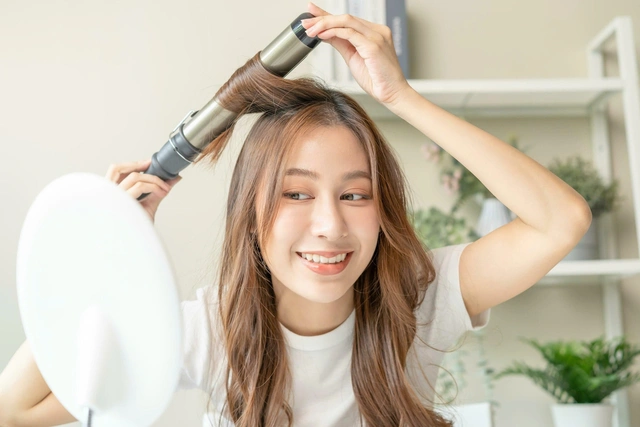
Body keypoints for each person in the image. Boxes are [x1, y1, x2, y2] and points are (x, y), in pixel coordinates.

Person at [0, 3, 592, 427]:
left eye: (355, 195)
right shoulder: (214, 331)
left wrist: (399, 98)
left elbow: (560, 221)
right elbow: (15, 410)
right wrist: (108, 253)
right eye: (296, 194)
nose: (330, 225)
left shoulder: (422, 299)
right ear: (250, 213)